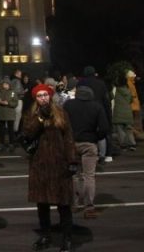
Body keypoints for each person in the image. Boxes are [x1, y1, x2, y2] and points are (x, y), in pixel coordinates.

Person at [23, 84, 78, 252]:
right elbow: (28, 134)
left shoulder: (61, 113)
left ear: (50, 96)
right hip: (40, 165)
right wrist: (39, 119)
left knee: (64, 203)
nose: (43, 98)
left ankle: (67, 239)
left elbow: (68, 137)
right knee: (43, 204)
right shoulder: (31, 114)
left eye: (45, 95)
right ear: (35, 99)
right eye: (39, 96)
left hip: (59, 163)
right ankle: (45, 235)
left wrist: (72, 160)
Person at [63, 82, 108, 219]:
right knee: (89, 176)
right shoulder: (96, 107)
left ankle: (75, 204)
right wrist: (95, 137)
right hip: (89, 143)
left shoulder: (68, 105)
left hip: (71, 143)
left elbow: (62, 123)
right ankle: (89, 206)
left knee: (74, 176)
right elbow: (104, 128)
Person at [0, 77, 18, 152]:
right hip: (1, 113)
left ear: (9, 84)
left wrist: (8, 103)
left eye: (7, 84)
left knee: (11, 130)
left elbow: (15, 103)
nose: (5, 85)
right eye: (4, 84)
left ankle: (11, 144)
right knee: (2, 130)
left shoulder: (13, 92)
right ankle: (2, 144)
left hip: (10, 113)